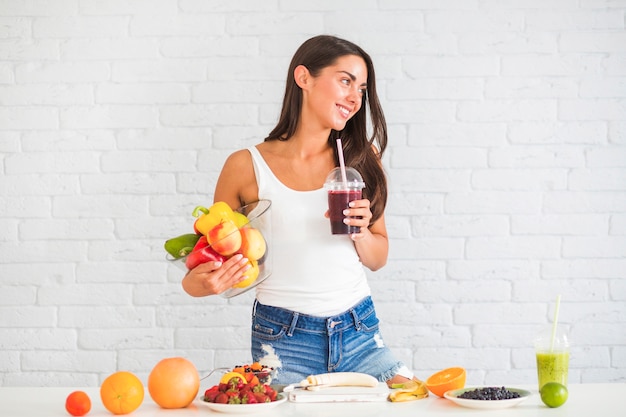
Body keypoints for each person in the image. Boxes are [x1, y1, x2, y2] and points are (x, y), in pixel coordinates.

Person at [182, 34, 417, 387]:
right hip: (281, 342)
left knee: (418, 401)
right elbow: (199, 273)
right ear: (304, 78)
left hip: (360, 334)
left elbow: (378, 257)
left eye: (362, 88)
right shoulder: (246, 166)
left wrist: (362, 232)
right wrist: (204, 283)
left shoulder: (362, 160)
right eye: (345, 81)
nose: (355, 98)